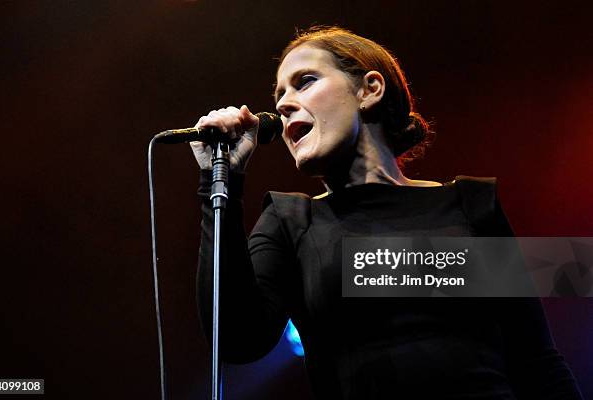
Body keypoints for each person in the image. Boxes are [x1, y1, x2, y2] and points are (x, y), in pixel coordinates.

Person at [191, 26, 582, 399]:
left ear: (370, 89)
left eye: (305, 81)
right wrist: (219, 179)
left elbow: (536, 359)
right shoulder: (291, 220)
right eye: (279, 93)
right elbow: (238, 339)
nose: (281, 103)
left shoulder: (468, 206)